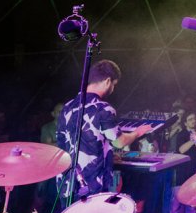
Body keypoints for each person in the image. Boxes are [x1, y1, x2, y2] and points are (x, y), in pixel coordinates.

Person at [54, 59, 156, 205]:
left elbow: (67, 143)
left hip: (66, 183)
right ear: (108, 81)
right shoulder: (103, 108)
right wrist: (137, 133)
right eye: (114, 85)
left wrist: (107, 155)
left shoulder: (67, 107)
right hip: (91, 184)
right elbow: (119, 142)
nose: (113, 89)